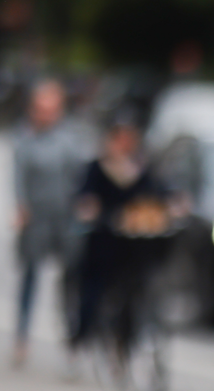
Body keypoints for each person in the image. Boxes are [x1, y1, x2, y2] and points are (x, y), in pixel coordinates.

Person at [70, 108, 177, 364]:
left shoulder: (141, 168)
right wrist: (89, 209)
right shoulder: (99, 167)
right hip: (104, 241)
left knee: (135, 291)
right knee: (92, 290)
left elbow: (160, 193)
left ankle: (124, 344)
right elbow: (84, 198)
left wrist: (172, 204)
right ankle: (80, 340)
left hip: (134, 245)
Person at [10, 78, 88, 368]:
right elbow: (18, 177)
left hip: (65, 217)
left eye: (50, 108)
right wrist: (20, 208)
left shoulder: (71, 138)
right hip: (36, 217)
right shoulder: (23, 137)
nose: (44, 114)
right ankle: (21, 337)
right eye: (40, 108)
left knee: (70, 282)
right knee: (29, 277)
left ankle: (71, 341)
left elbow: (80, 175)